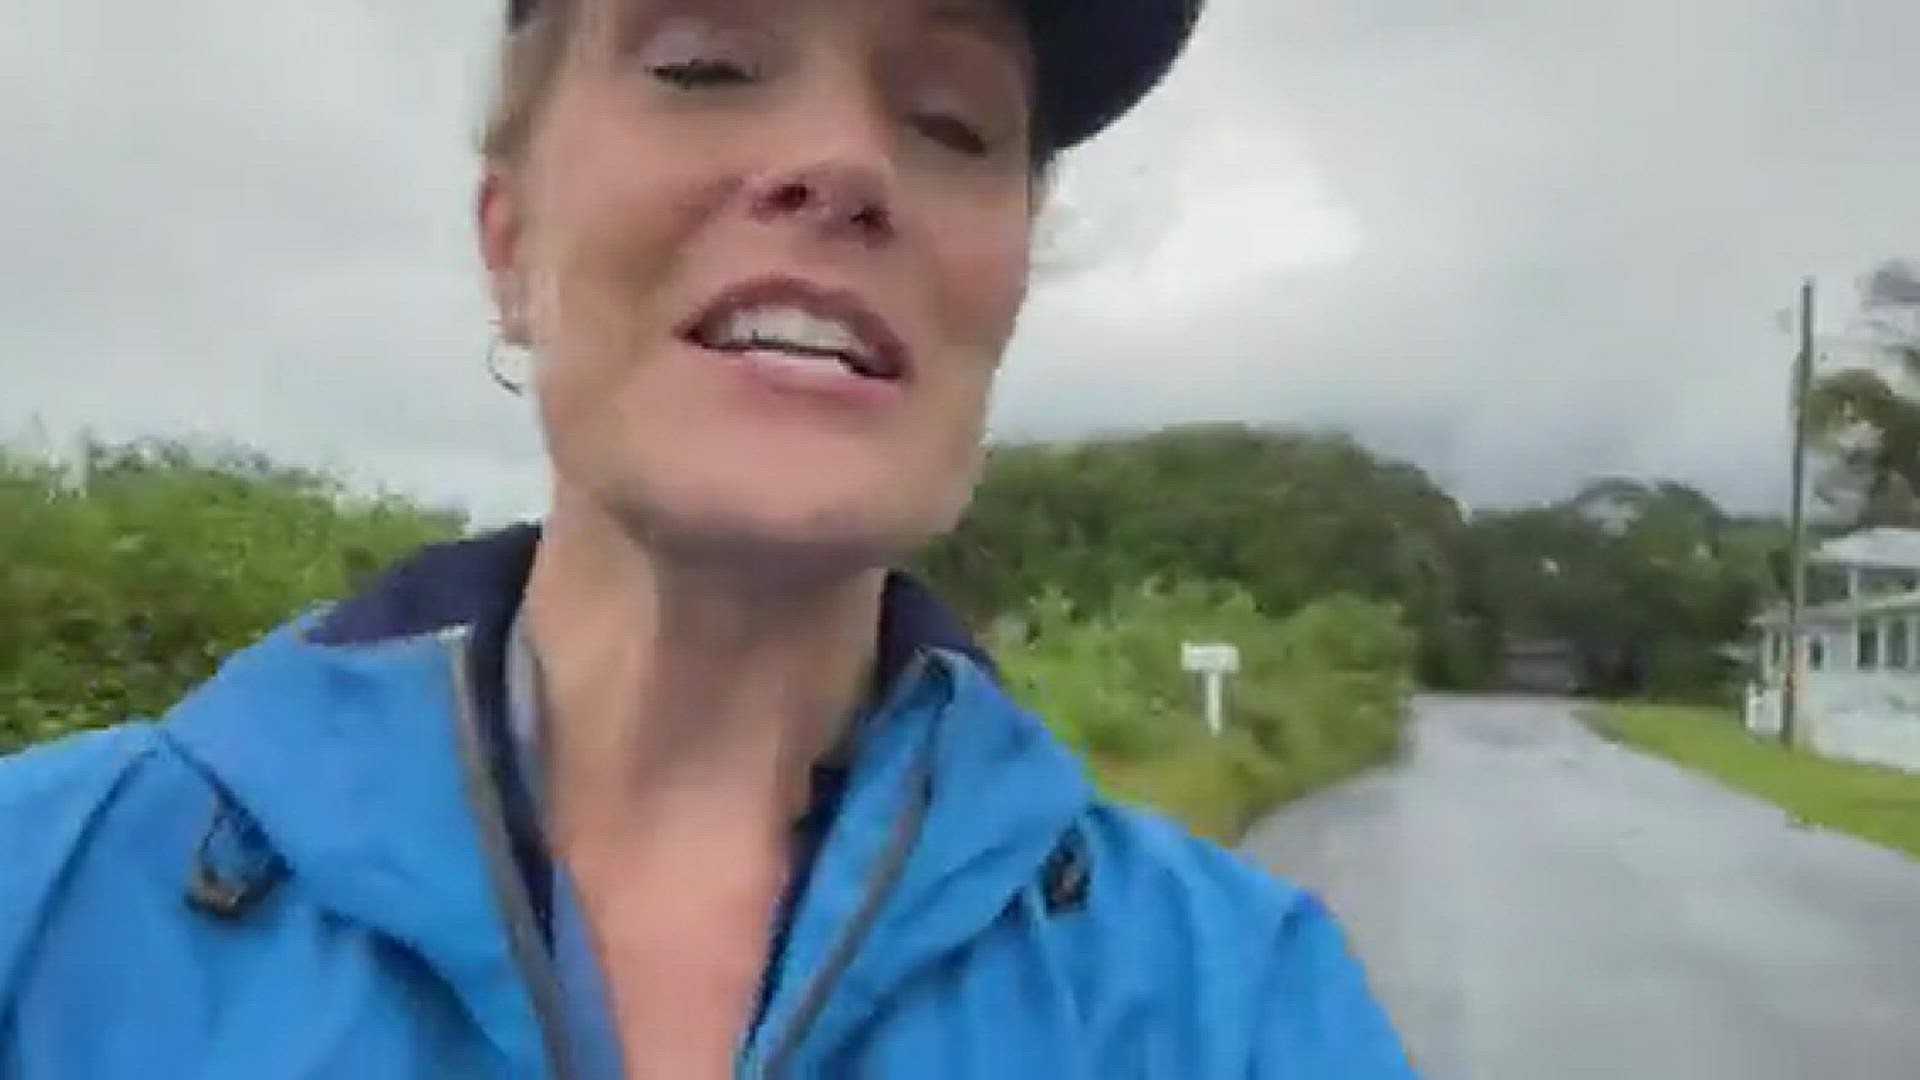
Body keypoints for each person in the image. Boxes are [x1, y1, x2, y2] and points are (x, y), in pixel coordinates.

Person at [0, 0, 1416, 1075]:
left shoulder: (1234, 1008)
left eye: (951, 123)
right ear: (509, 243)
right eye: (703, 66)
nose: (846, 165)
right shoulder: (37, 902)